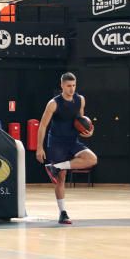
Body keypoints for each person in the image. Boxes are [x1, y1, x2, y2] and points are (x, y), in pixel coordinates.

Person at [35, 72, 98, 225]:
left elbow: (80, 121)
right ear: (62, 85)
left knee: (92, 159)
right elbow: (43, 125)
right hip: (56, 142)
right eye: (68, 86)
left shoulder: (80, 100)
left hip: (72, 140)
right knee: (61, 178)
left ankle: (54, 167)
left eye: (74, 86)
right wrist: (39, 148)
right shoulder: (53, 103)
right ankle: (63, 213)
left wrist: (87, 131)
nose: (71, 89)